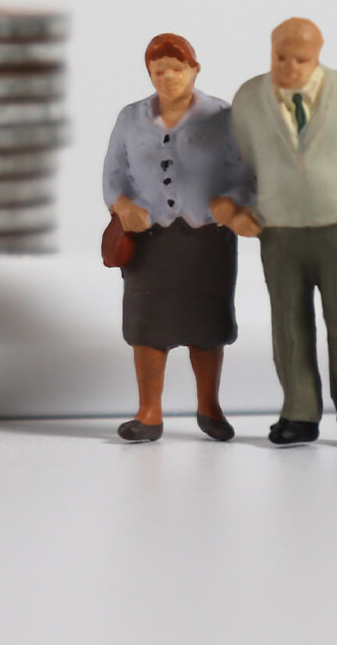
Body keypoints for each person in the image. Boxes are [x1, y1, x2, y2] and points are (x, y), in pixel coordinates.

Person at [212, 18, 337, 448]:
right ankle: (299, 412)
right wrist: (235, 208)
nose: (291, 67)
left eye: (302, 59)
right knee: (289, 325)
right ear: (271, 51)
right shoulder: (249, 97)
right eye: (282, 57)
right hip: (279, 229)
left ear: (318, 56)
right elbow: (240, 165)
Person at [102, 33, 254, 443]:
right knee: (147, 326)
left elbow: (246, 174)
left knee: (207, 325)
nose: (167, 77)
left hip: (207, 238)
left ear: (195, 69)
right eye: (158, 71)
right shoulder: (130, 118)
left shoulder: (223, 116)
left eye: (176, 68)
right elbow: (114, 173)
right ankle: (149, 412)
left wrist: (233, 204)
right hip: (150, 239)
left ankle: (210, 405)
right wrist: (122, 206)